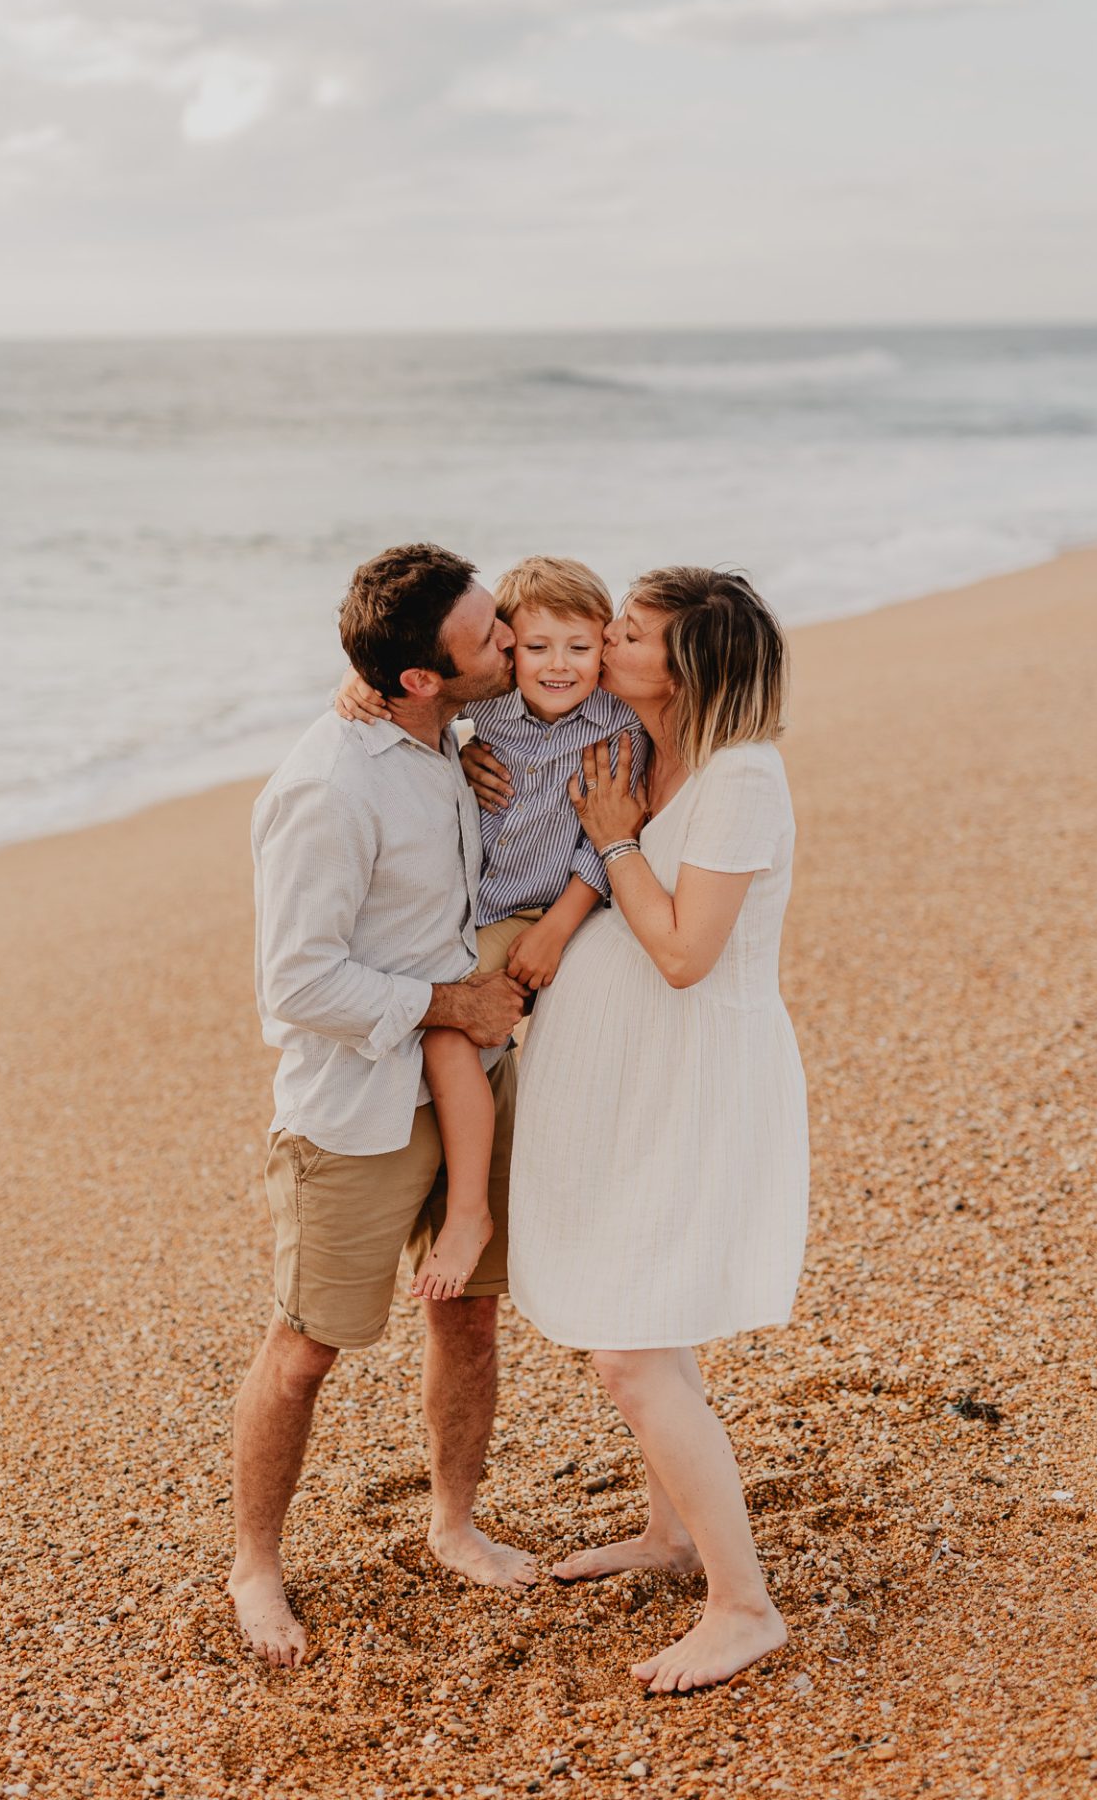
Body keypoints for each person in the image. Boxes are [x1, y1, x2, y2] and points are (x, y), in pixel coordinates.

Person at [472, 566, 810, 1695]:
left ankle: (742, 1604)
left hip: (695, 1081)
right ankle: (672, 1535)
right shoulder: (637, 743)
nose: (603, 641)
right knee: (653, 1326)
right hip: (633, 1085)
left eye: (627, 632)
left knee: (625, 1347)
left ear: (688, 664)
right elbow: (501, 693)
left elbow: (680, 953)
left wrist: (614, 844)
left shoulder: (741, 781)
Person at [228, 543, 534, 1672]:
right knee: (305, 1349)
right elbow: (292, 983)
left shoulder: (443, 735)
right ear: (417, 678)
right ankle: (254, 1562)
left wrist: (477, 759)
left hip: (467, 1087)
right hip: (354, 1110)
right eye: (491, 636)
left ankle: (452, 1522)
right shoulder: (322, 790)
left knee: (469, 1315)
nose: (510, 641)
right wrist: (445, 999)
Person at [334, 556, 647, 1301]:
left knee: (450, 1031)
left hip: (540, 910)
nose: (558, 665)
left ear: (604, 644)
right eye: (536, 647)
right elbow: (416, 691)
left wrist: (558, 927)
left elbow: (607, 839)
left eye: (579, 646)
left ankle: (469, 1210)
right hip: (478, 909)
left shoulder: (617, 724)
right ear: (508, 646)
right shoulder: (487, 712)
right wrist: (354, 686)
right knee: (457, 1027)